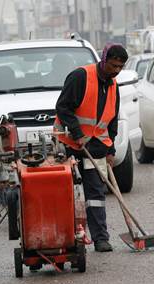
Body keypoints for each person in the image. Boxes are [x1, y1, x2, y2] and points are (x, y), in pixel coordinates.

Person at [54, 43, 128, 252]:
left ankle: (101, 238)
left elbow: (111, 121)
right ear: (104, 60)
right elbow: (63, 107)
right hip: (70, 145)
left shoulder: (114, 86)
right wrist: (77, 133)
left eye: (120, 67)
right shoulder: (80, 77)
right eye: (113, 65)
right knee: (67, 193)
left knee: (95, 193)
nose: (116, 71)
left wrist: (111, 150)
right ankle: (66, 238)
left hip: (96, 149)